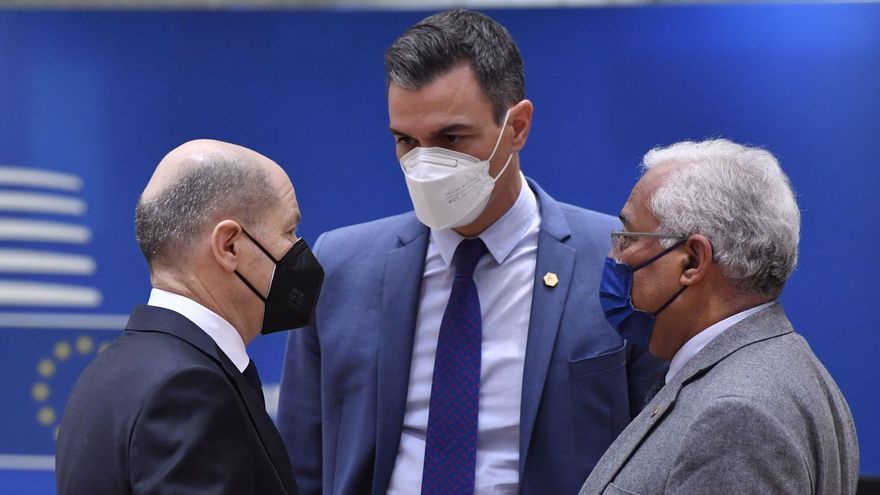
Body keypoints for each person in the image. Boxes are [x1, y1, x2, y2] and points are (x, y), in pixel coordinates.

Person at [276, 9, 665, 495]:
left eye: (451, 138)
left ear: (517, 126)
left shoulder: (619, 261)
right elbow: (299, 462)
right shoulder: (340, 265)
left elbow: (660, 452)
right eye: (406, 141)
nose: (424, 165)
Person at [580, 139, 860, 494]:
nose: (614, 256)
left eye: (628, 238)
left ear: (693, 260)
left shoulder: (737, 415)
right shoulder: (779, 368)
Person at [56, 139, 323, 495]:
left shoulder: (106, 372)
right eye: (289, 231)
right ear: (229, 246)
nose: (298, 247)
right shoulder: (189, 391)